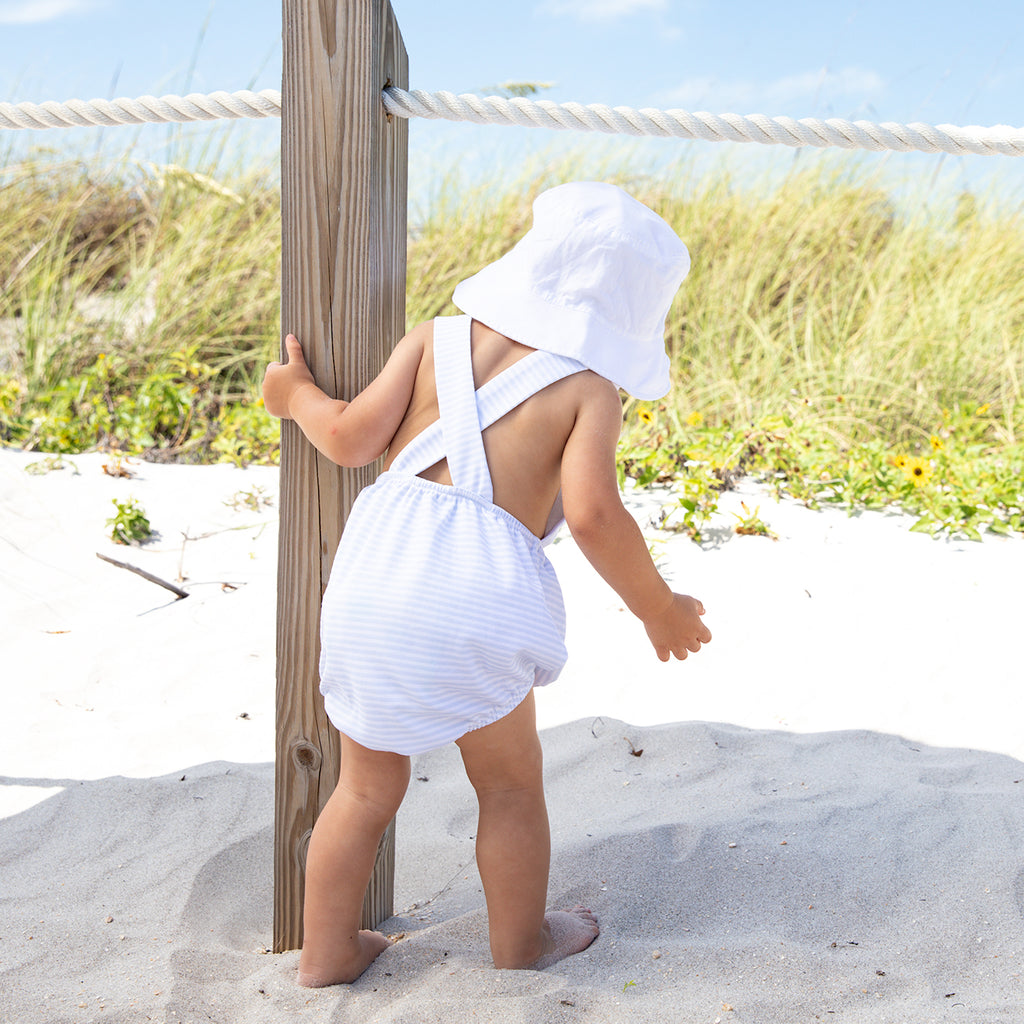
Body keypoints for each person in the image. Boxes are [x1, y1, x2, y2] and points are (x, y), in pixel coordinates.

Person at [261, 181, 712, 987]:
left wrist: (294, 395)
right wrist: (660, 608)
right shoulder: (589, 390)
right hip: (476, 592)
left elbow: (348, 436)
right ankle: (519, 946)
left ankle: (325, 953)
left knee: (365, 788)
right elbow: (596, 515)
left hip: (375, 576)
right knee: (507, 786)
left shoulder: (435, 338)